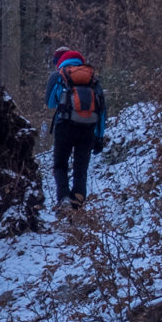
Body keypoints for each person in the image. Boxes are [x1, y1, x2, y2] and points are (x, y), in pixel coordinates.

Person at [45, 47, 106, 209]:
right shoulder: (92, 77)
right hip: (88, 128)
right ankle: (77, 206)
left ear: (61, 61)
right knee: (81, 169)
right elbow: (102, 110)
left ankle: (63, 199)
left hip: (64, 126)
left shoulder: (58, 75)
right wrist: (99, 137)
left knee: (60, 165)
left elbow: (50, 103)